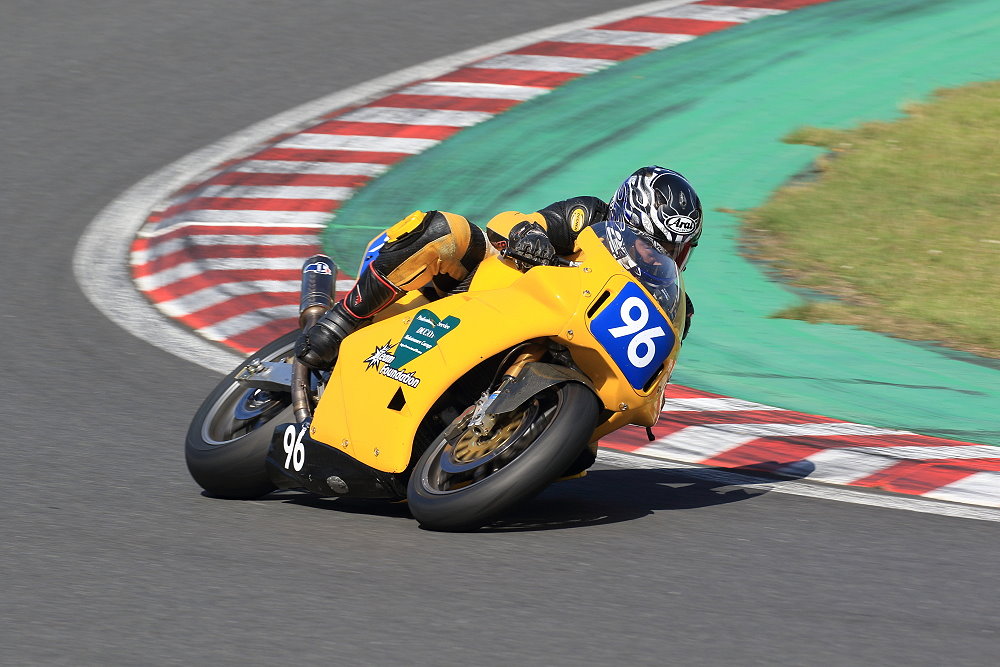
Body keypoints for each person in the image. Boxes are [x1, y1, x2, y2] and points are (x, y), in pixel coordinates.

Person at [295, 166, 702, 371]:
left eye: (676, 251)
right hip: (486, 298)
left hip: (559, 350)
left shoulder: (669, 300)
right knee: (448, 232)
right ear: (625, 219)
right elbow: (512, 221)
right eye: (655, 245)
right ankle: (343, 319)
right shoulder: (587, 216)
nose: (661, 257)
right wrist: (530, 236)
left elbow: (657, 375)